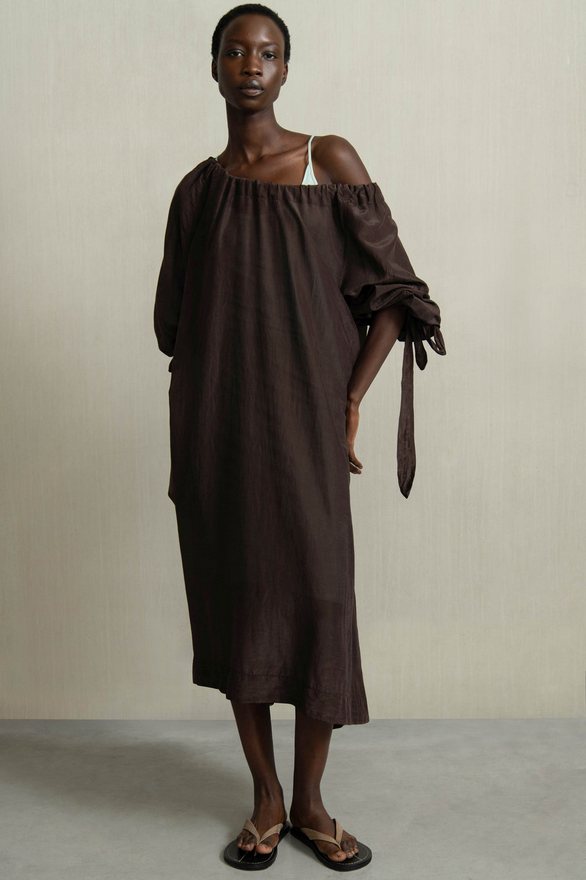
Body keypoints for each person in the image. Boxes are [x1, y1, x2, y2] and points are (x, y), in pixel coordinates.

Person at [154, 3, 445, 871]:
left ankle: (312, 801)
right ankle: (267, 799)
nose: (251, 64)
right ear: (213, 67)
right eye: (235, 51)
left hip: (303, 421)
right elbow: (173, 325)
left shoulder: (329, 161)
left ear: (287, 70)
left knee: (321, 599)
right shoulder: (198, 191)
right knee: (236, 601)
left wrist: (348, 399)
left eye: (268, 52)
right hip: (215, 425)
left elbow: (399, 294)